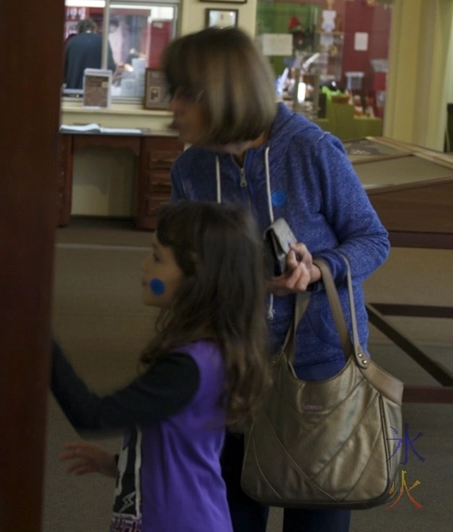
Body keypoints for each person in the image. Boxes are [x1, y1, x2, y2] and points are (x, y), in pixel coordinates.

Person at [162, 27, 390, 532]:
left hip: (318, 372)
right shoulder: (192, 169)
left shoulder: (312, 150)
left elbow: (372, 239)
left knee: (316, 518)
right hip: (231, 373)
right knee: (231, 516)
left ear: (224, 94)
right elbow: (178, 266)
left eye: (184, 93)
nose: (171, 106)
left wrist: (319, 268)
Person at [51, 201, 271, 532]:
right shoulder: (207, 352)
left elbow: (91, 414)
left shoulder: (188, 368)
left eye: (156, 257)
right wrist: (117, 465)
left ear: (196, 274)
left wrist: (37, 335)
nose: (144, 266)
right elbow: (184, 447)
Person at [63, 18, 116, 90]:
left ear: (79, 29)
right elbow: (110, 66)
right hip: (96, 91)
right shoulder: (103, 41)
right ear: (94, 29)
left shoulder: (72, 42)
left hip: (74, 90)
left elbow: (63, 68)